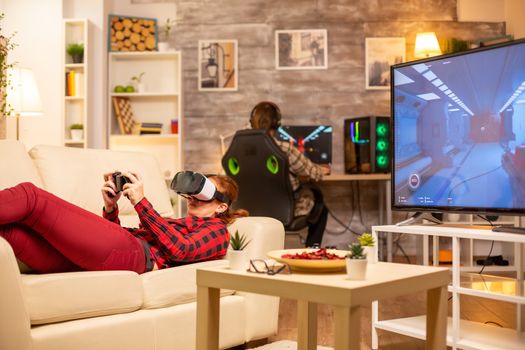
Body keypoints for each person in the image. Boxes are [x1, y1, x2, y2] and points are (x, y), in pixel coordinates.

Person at [0, 171, 247, 274]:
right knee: (10, 231)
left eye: (202, 195)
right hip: (123, 253)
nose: (193, 199)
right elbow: (114, 243)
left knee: (30, 196)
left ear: (221, 207)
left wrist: (141, 202)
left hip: (140, 256)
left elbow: (180, 250)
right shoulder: (178, 222)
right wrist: (111, 207)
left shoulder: (217, 232)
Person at [249, 101, 330, 247]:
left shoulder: (243, 149)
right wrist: (321, 169)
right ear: (277, 123)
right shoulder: (284, 149)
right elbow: (312, 172)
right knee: (321, 209)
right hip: (284, 211)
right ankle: (311, 254)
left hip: (251, 210)